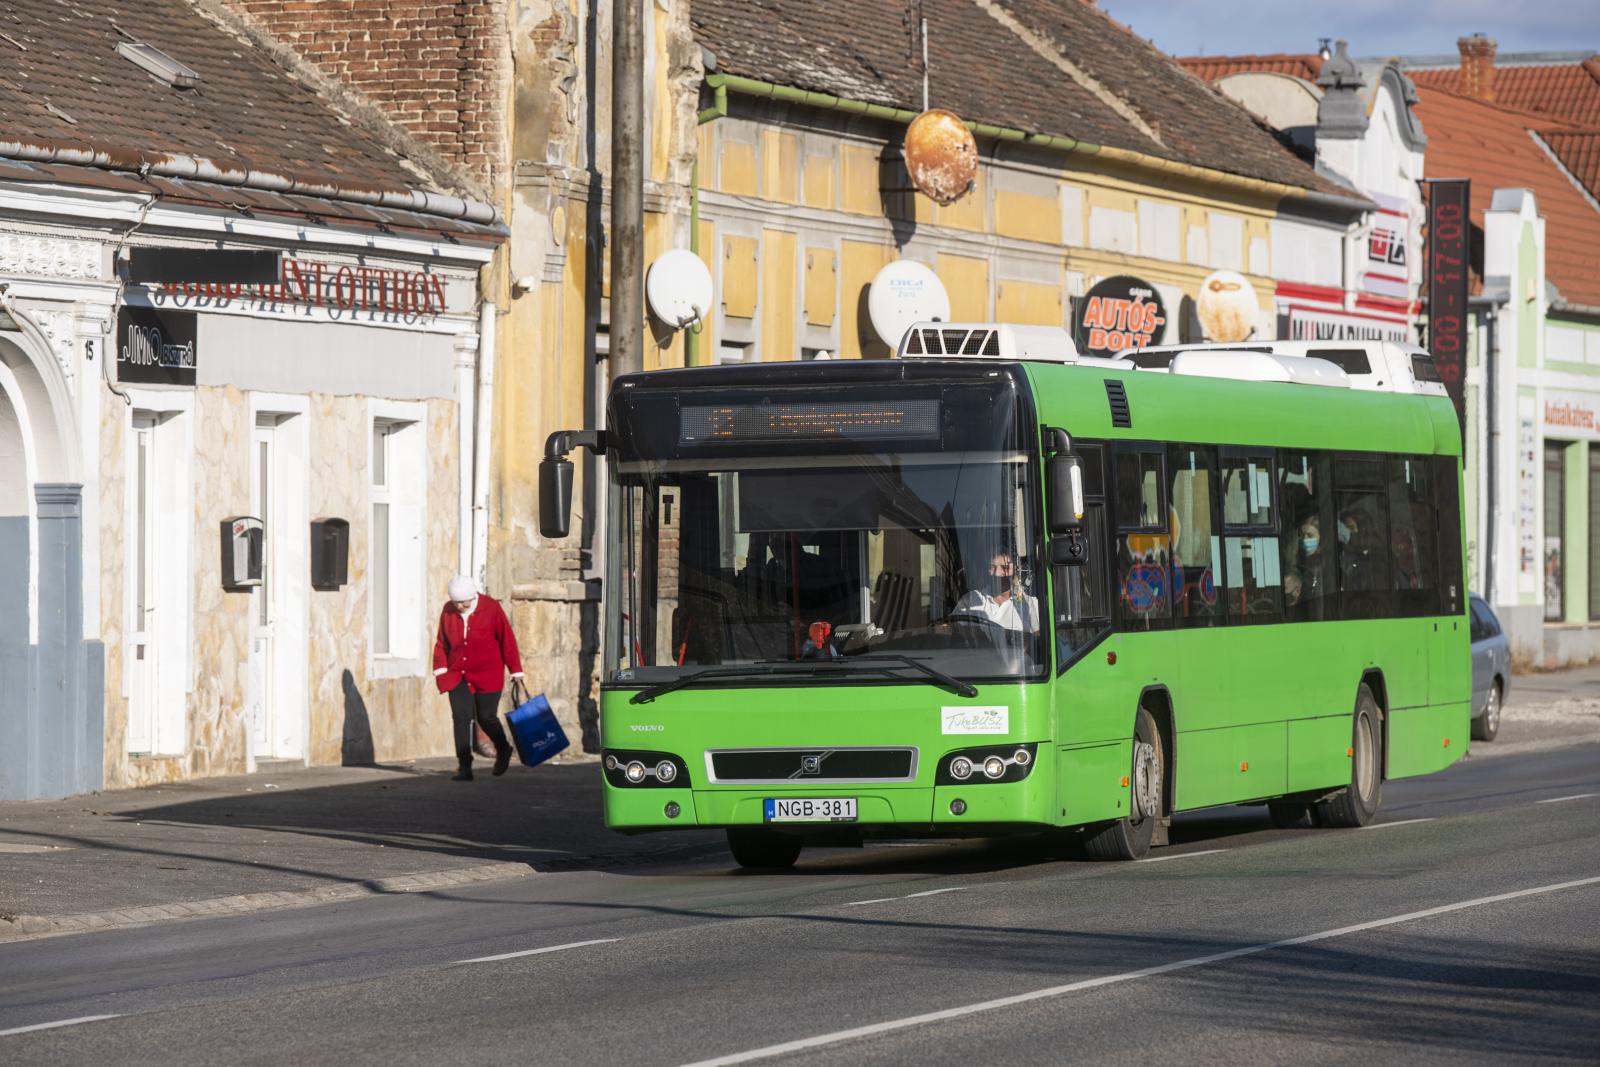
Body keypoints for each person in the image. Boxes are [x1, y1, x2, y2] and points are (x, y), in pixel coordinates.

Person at [432, 575, 523, 781]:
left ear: (473, 597)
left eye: (464, 602)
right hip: (458, 674)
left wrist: (515, 669)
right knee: (461, 717)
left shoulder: (491, 608)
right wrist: (440, 668)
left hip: (487, 673)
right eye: (456, 603)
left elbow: (506, 639)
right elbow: (441, 642)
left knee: (486, 717)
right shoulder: (448, 611)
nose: (460, 607)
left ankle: (503, 749)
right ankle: (464, 766)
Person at [954, 550, 1040, 633]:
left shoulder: (1032, 605)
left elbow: (1041, 638)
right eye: (992, 567)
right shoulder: (971, 600)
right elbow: (952, 630)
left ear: (1017, 569)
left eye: (1005, 567)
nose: (997, 573)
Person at [1284, 514, 1329, 610]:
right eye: (1301, 535)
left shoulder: (1325, 566)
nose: (1305, 539)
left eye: (1310, 535)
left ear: (1320, 538)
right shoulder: (1291, 560)